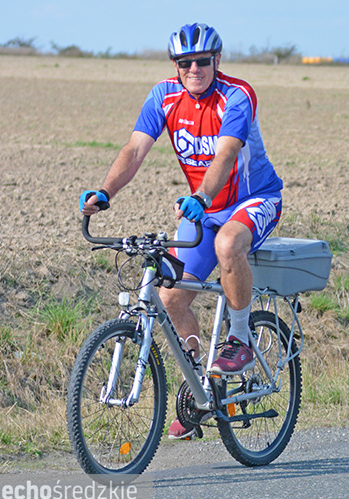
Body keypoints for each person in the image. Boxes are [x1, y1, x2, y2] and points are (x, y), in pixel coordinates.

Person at [79, 23, 283, 440]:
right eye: (184, 62)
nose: (194, 69)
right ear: (175, 64)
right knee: (170, 297)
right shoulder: (164, 96)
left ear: (217, 60)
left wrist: (203, 197)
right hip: (203, 207)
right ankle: (200, 389)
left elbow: (226, 155)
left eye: (202, 61)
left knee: (229, 243)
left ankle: (240, 339)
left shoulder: (237, 95)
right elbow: (135, 149)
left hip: (252, 199)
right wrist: (105, 192)